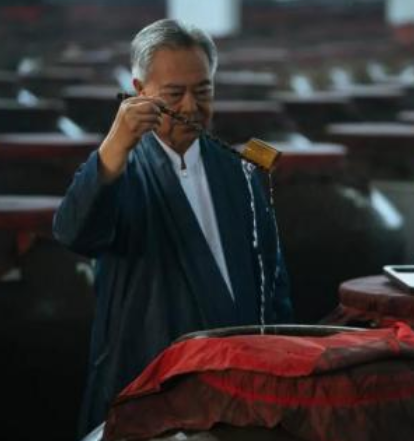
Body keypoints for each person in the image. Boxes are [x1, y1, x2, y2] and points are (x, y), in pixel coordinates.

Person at [53, 18, 293, 436]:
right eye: (173, 94)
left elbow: (273, 284)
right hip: (148, 381)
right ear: (138, 91)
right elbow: (74, 233)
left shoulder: (240, 171)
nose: (189, 107)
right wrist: (113, 148)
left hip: (241, 385)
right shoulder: (119, 168)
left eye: (203, 91)